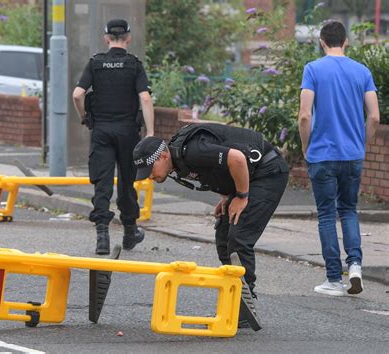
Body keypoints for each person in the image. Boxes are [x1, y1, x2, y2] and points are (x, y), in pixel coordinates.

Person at [133, 123, 289, 329]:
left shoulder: (194, 151)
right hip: (248, 176)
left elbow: (237, 158)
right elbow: (217, 171)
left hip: (268, 172)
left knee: (239, 236)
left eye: (150, 170)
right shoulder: (177, 162)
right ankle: (235, 301)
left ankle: (243, 306)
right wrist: (227, 196)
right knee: (223, 235)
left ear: (163, 156)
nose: (150, 177)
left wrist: (241, 196)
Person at [298, 21, 380, 296]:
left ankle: (334, 279)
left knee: (326, 215)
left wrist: (305, 146)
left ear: (322, 42)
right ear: (346, 41)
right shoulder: (362, 71)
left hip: (323, 154)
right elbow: (375, 117)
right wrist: (362, 143)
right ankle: (355, 265)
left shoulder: (313, 69)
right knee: (349, 210)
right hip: (352, 155)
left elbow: (305, 115)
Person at [72, 19, 155, 255]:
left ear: (106, 39)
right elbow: (146, 99)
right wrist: (150, 134)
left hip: (102, 132)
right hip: (128, 132)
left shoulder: (95, 63)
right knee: (128, 181)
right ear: (128, 38)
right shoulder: (134, 65)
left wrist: (85, 117)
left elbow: (78, 94)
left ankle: (102, 237)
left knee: (102, 182)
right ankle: (130, 232)